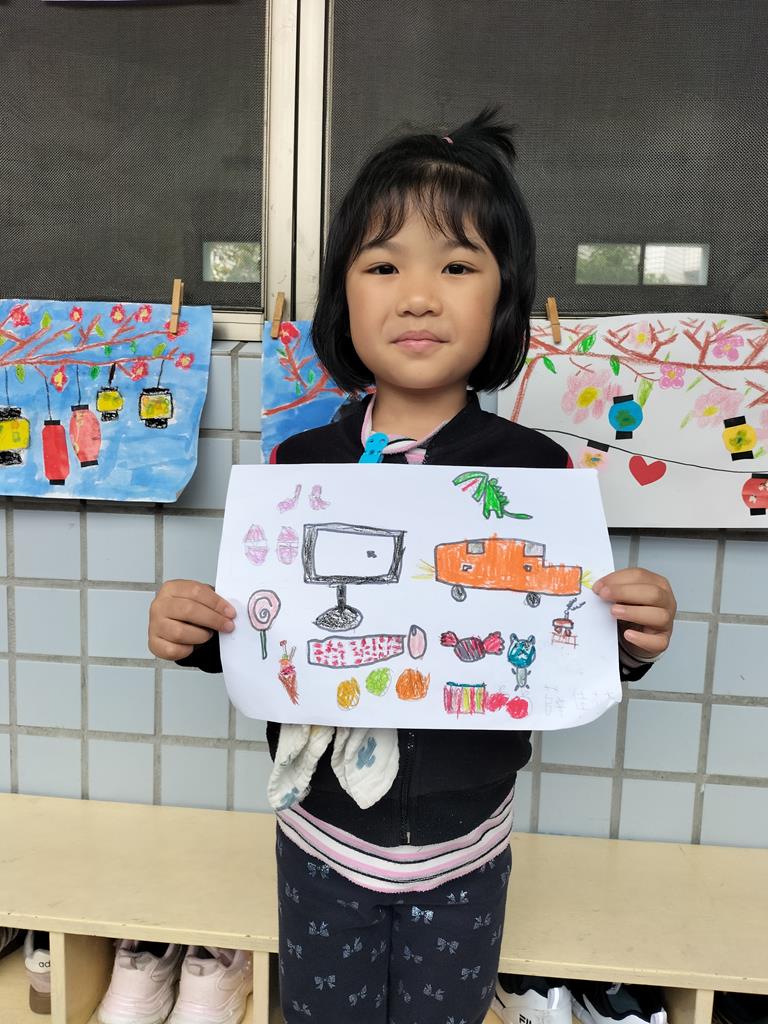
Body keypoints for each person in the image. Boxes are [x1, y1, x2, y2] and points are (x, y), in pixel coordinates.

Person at [149, 108, 676, 1024]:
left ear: (504, 298)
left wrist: (631, 637)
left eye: (458, 266)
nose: (420, 296)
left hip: (468, 842)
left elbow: (558, 633)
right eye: (384, 266)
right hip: (319, 834)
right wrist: (199, 633)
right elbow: (273, 626)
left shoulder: (536, 473)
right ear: (342, 298)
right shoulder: (300, 464)